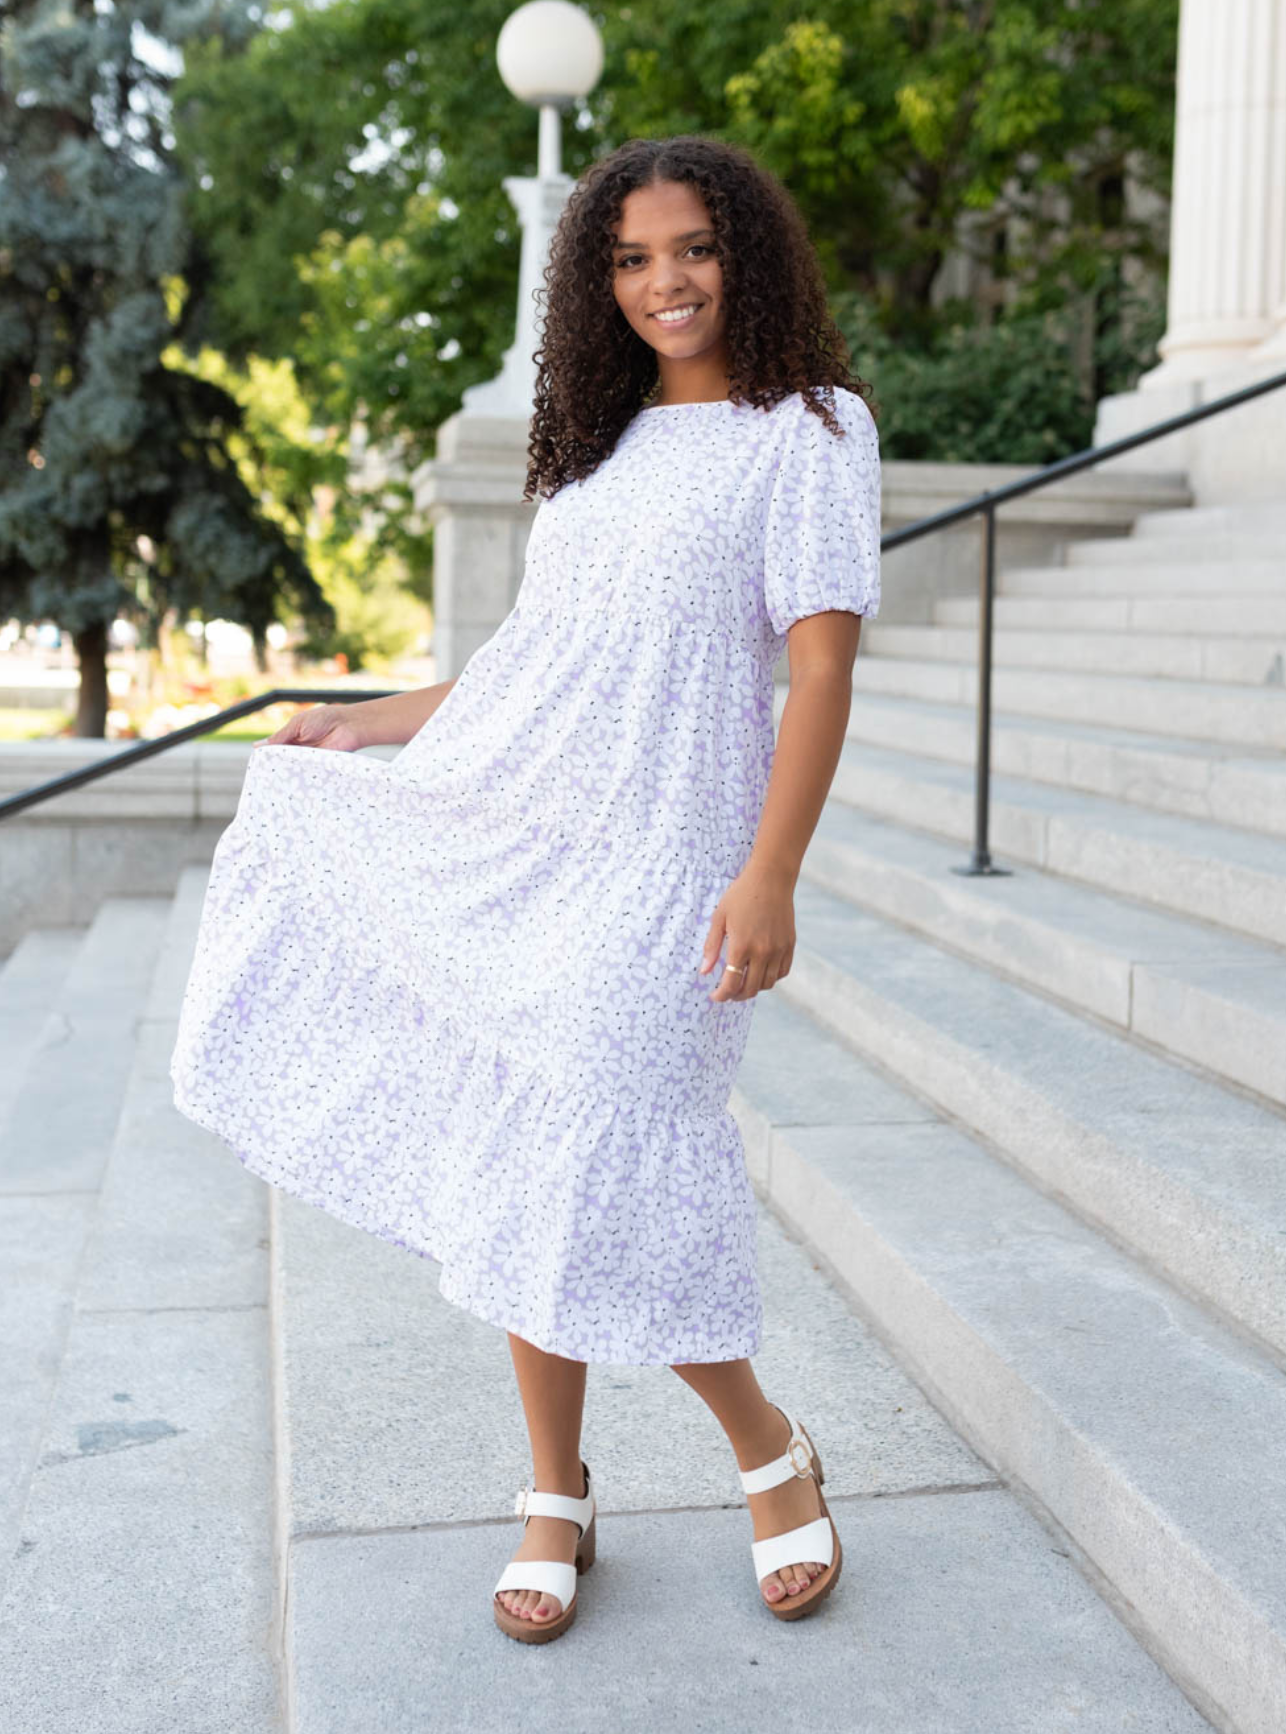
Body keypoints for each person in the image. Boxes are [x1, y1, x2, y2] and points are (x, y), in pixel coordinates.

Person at [170, 133, 881, 1645]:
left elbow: (818, 669)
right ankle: (552, 1487)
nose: (663, 282)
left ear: (743, 254)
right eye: (628, 259)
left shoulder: (810, 431)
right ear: (594, 281)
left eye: (690, 248)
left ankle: (765, 1444)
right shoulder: (597, 446)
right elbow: (527, 672)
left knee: (627, 1151)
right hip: (534, 831)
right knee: (523, 1150)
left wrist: (772, 872)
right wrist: (366, 724)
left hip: (677, 858)